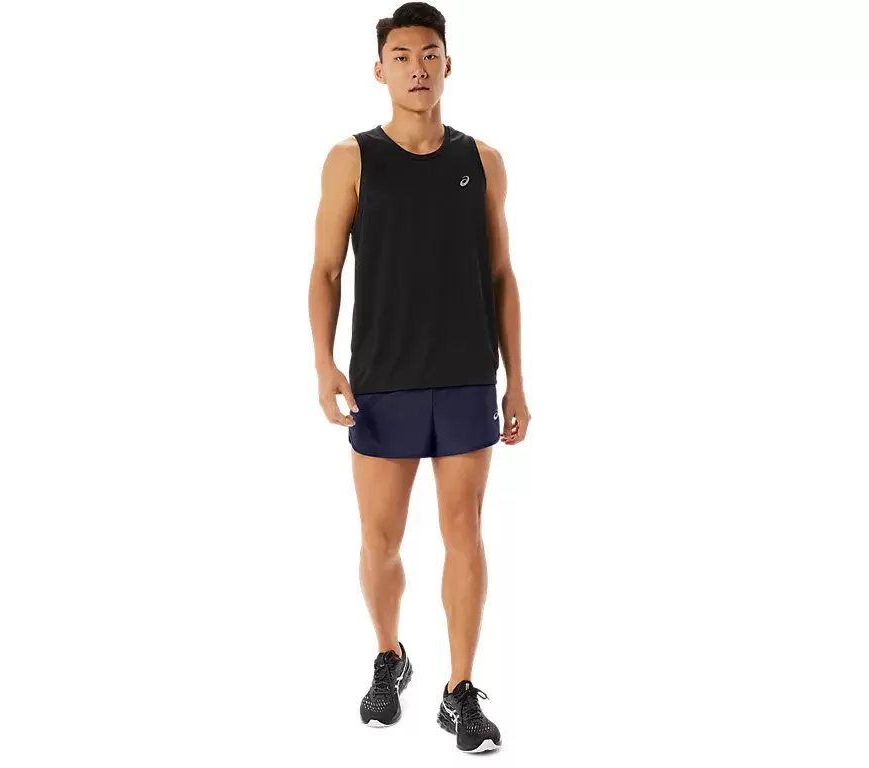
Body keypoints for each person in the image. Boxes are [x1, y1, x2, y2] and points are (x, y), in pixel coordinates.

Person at [308, 2, 530, 754]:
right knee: (380, 540)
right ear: (380, 70)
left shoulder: (483, 160)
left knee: (465, 534)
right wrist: (324, 364)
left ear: (447, 64)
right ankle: (389, 656)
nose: (417, 68)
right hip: (383, 379)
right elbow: (325, 270)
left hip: (466, 376)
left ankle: (459, 690)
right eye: (401, 57)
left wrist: (516, 380)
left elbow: (501, 274)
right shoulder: (352, 158)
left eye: (429, 54)